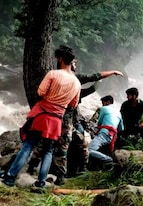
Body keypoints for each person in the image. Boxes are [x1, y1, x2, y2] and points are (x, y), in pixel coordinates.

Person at [26, 58, 124, 183]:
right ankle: (57, 174)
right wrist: (111, 73)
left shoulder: (58, 79)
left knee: (55, 144)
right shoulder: (73, 79)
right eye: (74, 63)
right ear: (69, 63)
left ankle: (37, 168)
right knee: (60, 146)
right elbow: (93, 78)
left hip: (61, 119)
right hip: (64, 121)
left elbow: (91, 87)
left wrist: (101, 79)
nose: (76, 65)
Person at [1, 45, 81, 189]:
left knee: (27, 146)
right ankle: (41, 183)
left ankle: (10, 178)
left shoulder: (53, 74)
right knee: (48, 150)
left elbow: (41, 92)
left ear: (61, 58)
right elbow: (73, 104)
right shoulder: (76, 82)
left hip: (42, 116)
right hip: (57, 120)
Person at [88, 95, 124, 170]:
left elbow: (99, 122)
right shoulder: (118, 112)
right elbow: (121, 128)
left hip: (104, 133)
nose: (102, 105)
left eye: (103, 103)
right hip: (112, 137)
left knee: (90, 150)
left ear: (108, 102)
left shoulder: (104, 108)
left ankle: (108, 159)